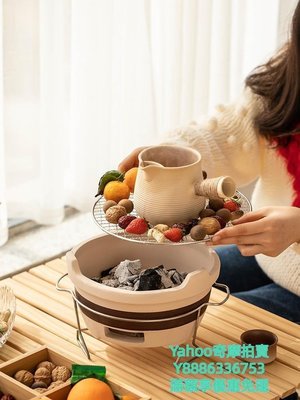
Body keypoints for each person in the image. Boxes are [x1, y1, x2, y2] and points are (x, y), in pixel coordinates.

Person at [118, 1, 300, 329]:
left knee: (206, 333)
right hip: (268, 259)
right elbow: (229, 135)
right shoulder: (292, 74)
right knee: (147, 289)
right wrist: (174, 154)